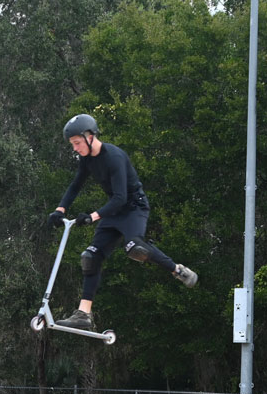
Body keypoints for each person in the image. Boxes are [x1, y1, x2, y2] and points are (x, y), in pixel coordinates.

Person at [47, 113, 197, 330]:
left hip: (133, 207)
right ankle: (83, 315)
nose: (75, 148)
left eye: (77, 143)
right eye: (73, 144)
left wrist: (92, 217)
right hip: (113, 211)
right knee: (90, 257)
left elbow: (120, 198)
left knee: (135, 247)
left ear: (90, 136)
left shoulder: (114, 157)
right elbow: (75, 185)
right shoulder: (86, 160)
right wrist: (59, 210)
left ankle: (177, 269)